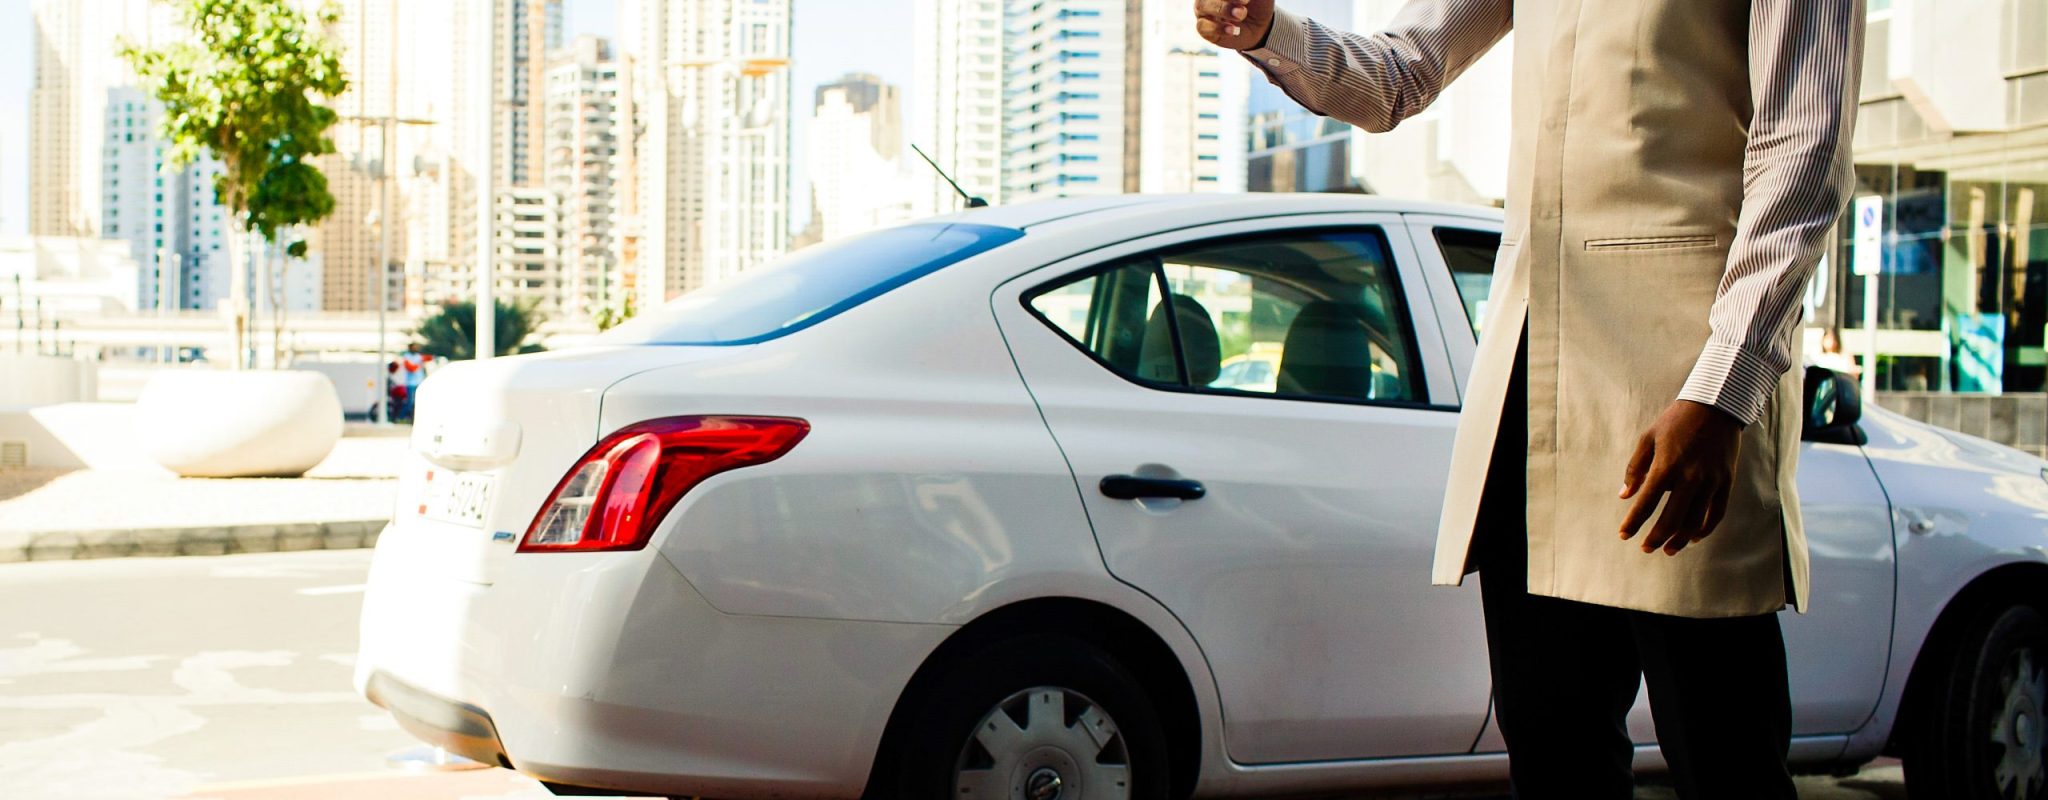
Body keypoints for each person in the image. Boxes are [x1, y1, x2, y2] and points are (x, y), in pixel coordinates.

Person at [1194, 2, 1861, 798]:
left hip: (1685, 379)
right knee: (1552, 748)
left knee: (1724, 751)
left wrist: (1724, 391)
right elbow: (1402, 74)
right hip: (1530, 381)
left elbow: (1805, 147)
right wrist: (1269, 33)